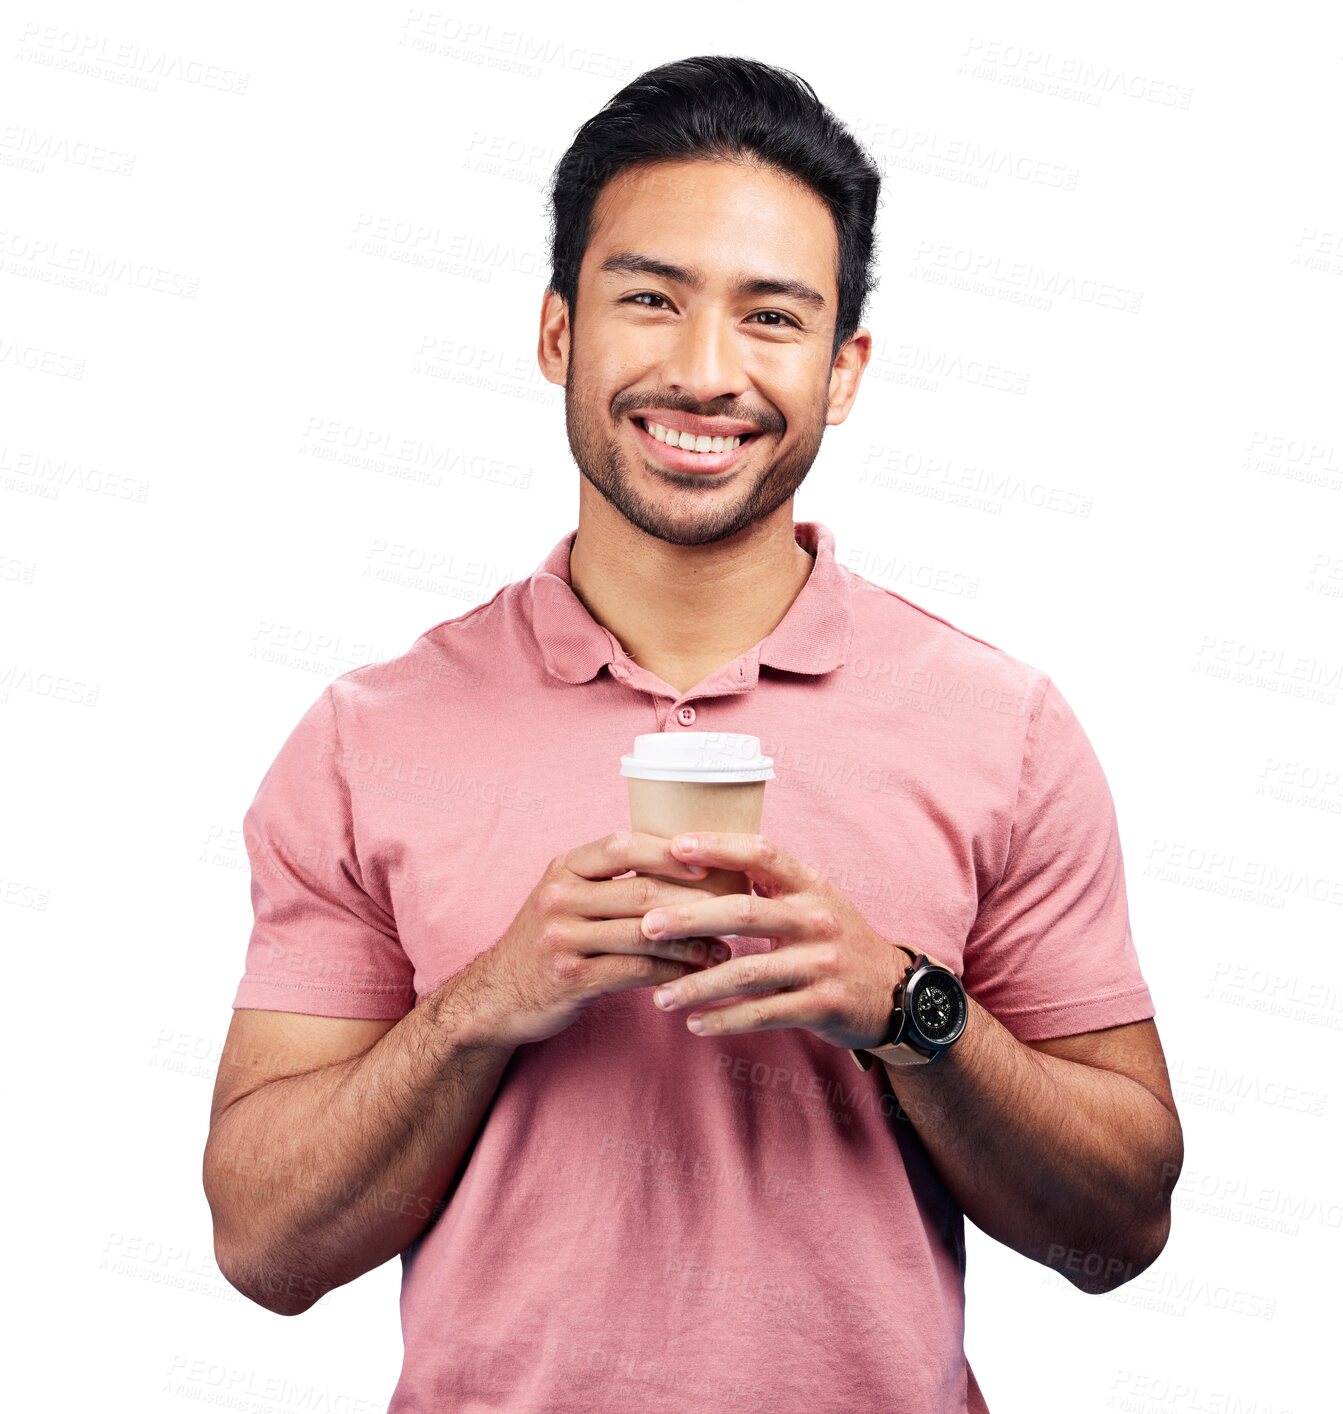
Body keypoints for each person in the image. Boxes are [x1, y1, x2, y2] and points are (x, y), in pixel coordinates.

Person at [203, 54, 1183, 1413]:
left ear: (842, 371)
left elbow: (1117, 1232)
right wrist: (484, 1004)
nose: (703, 370)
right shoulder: (368, 736)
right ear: (558, 333)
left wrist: (908, 1010)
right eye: (650, 299)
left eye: (770, 316)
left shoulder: (1002, 727)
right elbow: (266, 1249)